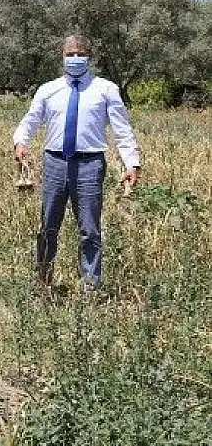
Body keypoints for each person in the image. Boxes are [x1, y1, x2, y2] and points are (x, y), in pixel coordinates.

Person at [12, 34, 141, 293]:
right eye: (70, 54)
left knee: (90, 230)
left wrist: (132, 163)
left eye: (80, 53)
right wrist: (20, 142)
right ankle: (43, 283)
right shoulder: (48, 90)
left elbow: (122, 129)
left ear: (88, 56)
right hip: (54, 163)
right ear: (62, 55)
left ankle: (90, 287)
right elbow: (31, 119)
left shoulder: (105, 89)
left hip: (90, 164)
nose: (75, 58)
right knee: (48, 226)